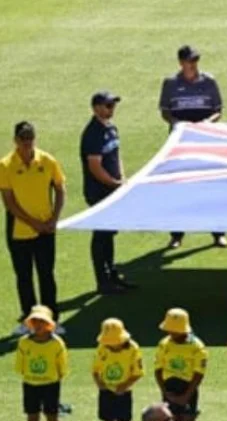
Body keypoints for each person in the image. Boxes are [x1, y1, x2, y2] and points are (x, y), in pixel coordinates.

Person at [2, 122, 65, 333]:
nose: (27, 143)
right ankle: (28, 320)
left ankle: (51, 320)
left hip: (46, 229)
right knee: (24, 276)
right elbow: (9, 202)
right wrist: (33, 223)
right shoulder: (6, 165)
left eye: (30, 138)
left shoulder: (47, 161)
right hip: (19, 232)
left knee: (47, 274)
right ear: (15, 140)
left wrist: (54, 219)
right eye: (23, 139)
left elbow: (60, 188)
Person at [161, 44, 226, 250]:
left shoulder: (209, 81)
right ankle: (176, 235)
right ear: (181, 63)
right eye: (190, 61)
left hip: (205, 140)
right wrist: (177, 124)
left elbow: (218, 109)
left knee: (211, 186)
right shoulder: (170, 84)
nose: (194, 64)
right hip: (181, 142)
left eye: (196, 60)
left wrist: (207, 123)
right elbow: (165, 111)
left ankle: (218, 233)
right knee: (179, 187)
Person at [81, 90, 133, 295]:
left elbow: (116, 155)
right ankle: (102, 281)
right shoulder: (93, 133)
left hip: (112, 189)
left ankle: (112, 274)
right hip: (99, 192)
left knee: (109, 233)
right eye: (108, 105)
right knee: (101, 235)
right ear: (96, 108)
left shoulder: (111, 128)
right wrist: (113, 183)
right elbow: (94, 166)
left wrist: (122, 178)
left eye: (113, 105)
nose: (112, 109)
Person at [13, 305, 69, 421]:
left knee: (53, 419)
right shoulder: (24, 342)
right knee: (32, 420)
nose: (38, 325)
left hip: (50, 386)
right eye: (35, 321)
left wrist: (50, 378)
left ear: (49, 324)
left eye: (42, 322)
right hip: (30, 385)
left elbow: (62, 368)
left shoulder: (56, 343)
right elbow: (19, 366)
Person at [154, 308, 206, 421]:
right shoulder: (164, 344)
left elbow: (198, 373)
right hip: (169, 388)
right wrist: (165, 392)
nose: (169, 332)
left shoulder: (196, 346)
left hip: (188, 389)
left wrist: (186, 395)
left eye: (173, 329)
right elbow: (158, 370)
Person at [92, 317, 143, 421]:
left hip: (123, 392)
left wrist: (124, 385)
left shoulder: (133, 348)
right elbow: (95, 370)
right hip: (106, 392)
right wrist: (100, 383)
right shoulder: (102, 348)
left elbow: (138, 372)